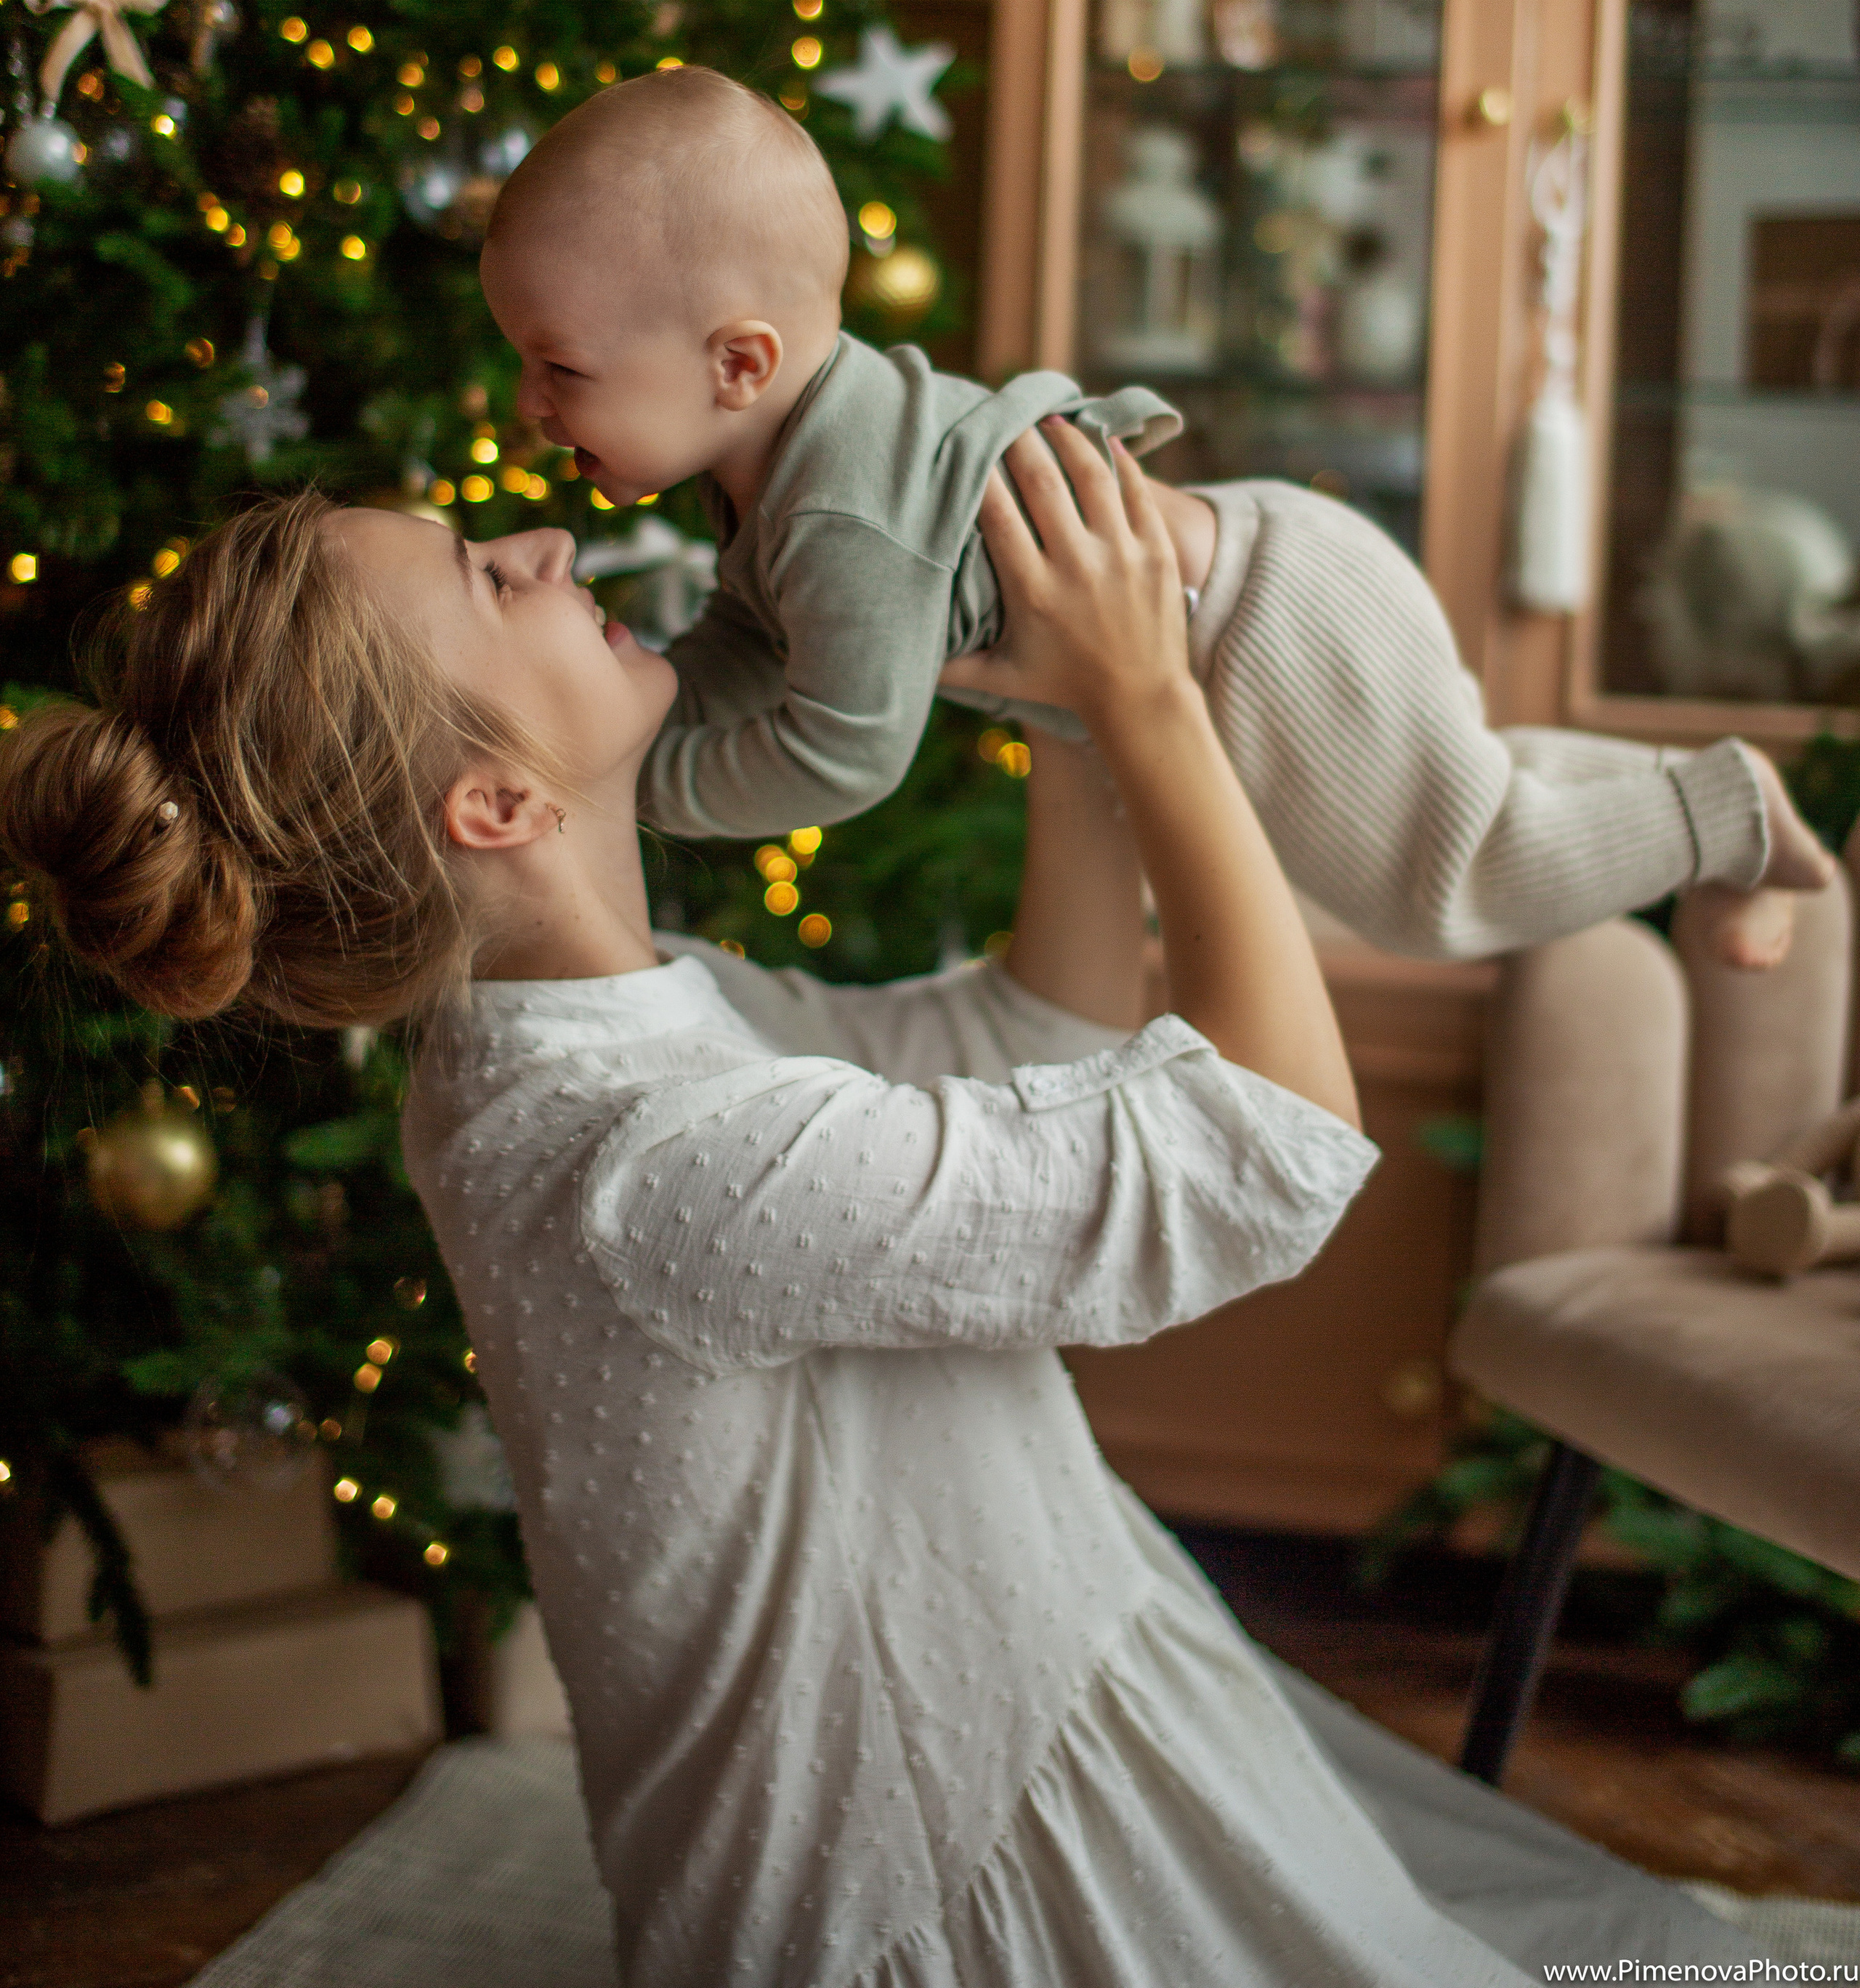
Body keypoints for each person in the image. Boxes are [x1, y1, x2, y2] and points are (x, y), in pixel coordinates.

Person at [0, 435, 1757, 1987]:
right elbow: (1265, 1150)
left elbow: (1023, 1045)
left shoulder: (568, 1030)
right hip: (931, 1866)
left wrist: (1065, 719)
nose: (540, 548)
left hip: (985, 1688)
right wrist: (1154, 706)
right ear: (500, 803)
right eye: (484, 576)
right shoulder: (644, 1158)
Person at [480, 66, 1832, 973]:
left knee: (1435, 894)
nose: (534, 406)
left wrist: (629, 784)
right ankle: (1684, 808)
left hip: (1264, 633)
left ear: (739, 364)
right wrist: (622, 722)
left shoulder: (843, 513)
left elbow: (843, 755)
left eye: (563, 368)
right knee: (1465, 795)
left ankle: (1725, 814)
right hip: (1268, 579)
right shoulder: (775, 469)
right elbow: (748, 648)